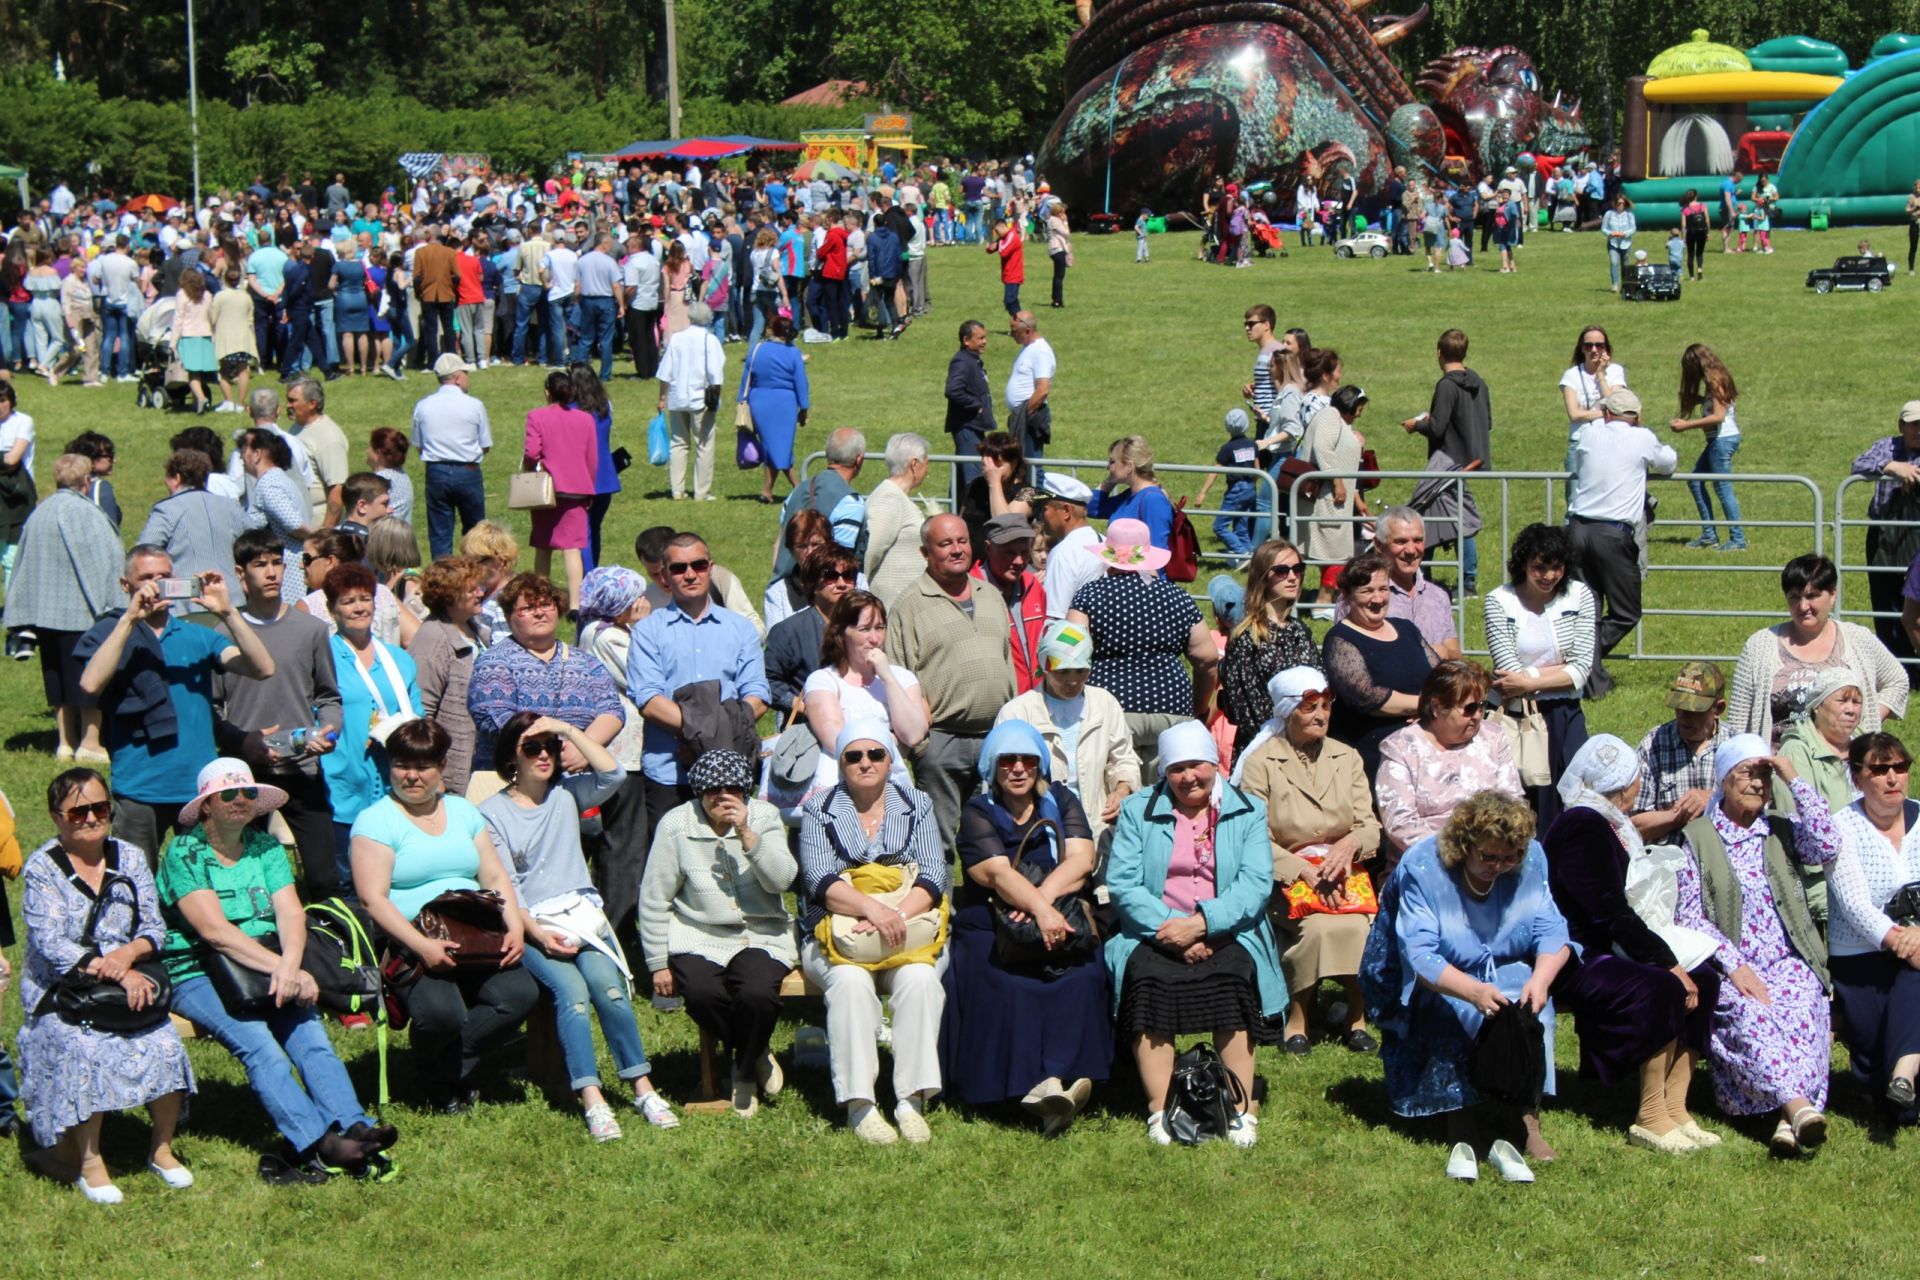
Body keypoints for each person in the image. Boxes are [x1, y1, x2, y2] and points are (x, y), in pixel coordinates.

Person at [157, 759, 396, 1179]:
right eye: (227, 794)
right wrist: (285, 970)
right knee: (260, 1047)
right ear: (206, 805)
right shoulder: (184, 851)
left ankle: (353, 1125)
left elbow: (290, 913)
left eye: (248, 793)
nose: (240, 801)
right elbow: (213, 931)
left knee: (311, 1038)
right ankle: (318, 1143)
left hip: (268, 962)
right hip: (195, 969)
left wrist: (289, 965)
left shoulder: (265, 847)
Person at [480, 713, 676, 1138]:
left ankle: (642, 1086)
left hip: (584, 918)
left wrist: (568, 730)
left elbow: (615, 772)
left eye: (550, 746)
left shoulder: (568, 793)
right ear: (512, 756)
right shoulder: (491, 814)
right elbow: (505, 887)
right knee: (571, 996)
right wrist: (536, 933)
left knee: (610, 992)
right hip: (531, 923)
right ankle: (592, 1097)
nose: (545, 755)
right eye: (533, 747)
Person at [1363, 790, 1571, 1181]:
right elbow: (1420, 956)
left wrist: (1541, 979)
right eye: (1488, 857)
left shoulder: (1533, 860)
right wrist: (1473, 992)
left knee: (1531, 1015)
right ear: (1464, 846)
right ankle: (1460, 1122)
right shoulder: (1424, 868)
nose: (1499, 867)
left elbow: (1552, 929)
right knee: (1454, 1012)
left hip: (1507, 962)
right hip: (1432, 970)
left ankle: (1527, 1118)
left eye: (1509, 858)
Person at [16, 768, 193, 1204]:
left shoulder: (130, 857)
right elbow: (52, 945)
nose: (92, 818)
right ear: (57, 818)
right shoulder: (42, 869)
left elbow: (155, 927)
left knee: (167, 1044)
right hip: (61, 993)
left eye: (100, 808)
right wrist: (116, 969)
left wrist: (128, 956)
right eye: (79, 812)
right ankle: (91, 1164)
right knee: (85, 1051)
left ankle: (162, 1150)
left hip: (124, 982)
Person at [1106, 721, 1284, 1146]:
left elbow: (1256, 883)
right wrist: (1172, 930)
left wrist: (1202, 925)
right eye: (1177, 769)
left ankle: (1239, 1109)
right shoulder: (1138, 810)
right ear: (1164, 773)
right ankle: (1160, 1108)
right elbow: (1123, 884)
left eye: (1197, 766)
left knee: (1233, 980)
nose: (1189, 778)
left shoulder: (1248, 809)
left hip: (1228, 930)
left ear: (1215, 764)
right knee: (1148, 982)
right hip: (1155, 930)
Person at [350, 717, 540, 1112]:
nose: (412, 776)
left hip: (476, 935)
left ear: (441, 768)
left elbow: (492, 874)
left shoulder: (462, 810)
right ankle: (443, 1080)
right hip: (413, 942)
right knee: (442, 1015)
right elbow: (373, 899)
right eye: (402, 765)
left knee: (519, 995)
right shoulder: (376, 821)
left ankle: (443, 1073)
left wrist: (514, 927)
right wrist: (422, 946)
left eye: (423, 766)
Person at [1543, 736, 1722, 1154]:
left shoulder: (1609, 822)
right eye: (1636, 780)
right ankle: (1650, 1115)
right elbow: (1606, 910)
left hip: (1611, 946)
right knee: (1662, 985)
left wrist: (1676, 961)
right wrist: (1666, 963)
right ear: (1623, 785)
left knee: (1705, 978)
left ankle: (1675, 1106)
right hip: (1576, 954)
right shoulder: (1582, 826)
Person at [940, 720, 1109, 1130]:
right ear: (992, 767)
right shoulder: (979, 811)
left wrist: (1042, 907)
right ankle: (1030, 1087)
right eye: (1007, 760)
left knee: (1081, 976)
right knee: (1006, 981)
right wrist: (1037, 908)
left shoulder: (1062, 800)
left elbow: (1082, 860)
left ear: (1040, 765)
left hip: (1055, 909)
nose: (1017, 768)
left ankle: (1060, 1081)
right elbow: (996, 873)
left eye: (1027, 760)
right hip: (992, 918)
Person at [1675, 736, 1840, 1156]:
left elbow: (1828, 843)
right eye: (1747, 773)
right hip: (1732, 964)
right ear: (1724, 781)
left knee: (1805, 1002)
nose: (1757, 783)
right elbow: (1690, 916)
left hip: (1788, 959)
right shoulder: (1698, 837)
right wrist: (1735, 965)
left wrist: (1794, 778)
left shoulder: (1780, 830)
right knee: (1748, 1011)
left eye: (1764, 775)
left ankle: (1789, 1123)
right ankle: (1798, 1107)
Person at [796, 720, 951, 1144]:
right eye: (854, 756)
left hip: (908, 931)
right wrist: (871, 910)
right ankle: (859, 1104)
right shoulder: (818, 808)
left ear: (890, 759)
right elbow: (819, 880)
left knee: (920, 981)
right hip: (837, 935)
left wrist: (893, 916)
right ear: (841, 763)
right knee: (849, 983)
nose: (865, 763)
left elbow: (935, 876)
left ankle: (910, 1100)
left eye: (876, 754)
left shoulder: (916, 803)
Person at [77, 547, 275, 862]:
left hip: (200, 788)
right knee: (134, 883)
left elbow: (263, 668)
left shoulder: (198, 635)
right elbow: (90, 683)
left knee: (206, 882)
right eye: (146, 578)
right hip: (139, 788)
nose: (156, 585)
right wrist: (130, 619)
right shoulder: (111, 633)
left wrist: (228, 612)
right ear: (125, 585)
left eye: (164, 577)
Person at [640, 748, 796, 1117]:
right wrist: (657, 961)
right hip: (698, 932)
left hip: (761, 931)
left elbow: (783, 880)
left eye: (732, 789)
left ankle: (741, 1073)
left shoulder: (766, 816)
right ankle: (754, 1053)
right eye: (713, 790)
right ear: (699, 793)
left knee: (757, 992)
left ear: (745, 790)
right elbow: (654, 896)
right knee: (701, 992)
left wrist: (747, 834)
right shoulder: (677, 824)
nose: (723, 796)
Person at [1233, 668, 1380, 1052]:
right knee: (1316, 928)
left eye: (1326, 706)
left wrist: (1349, 847)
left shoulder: (1346, 757)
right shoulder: (1262, 763)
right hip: (1289, 881)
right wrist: (1302, 871)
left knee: (1361, 926)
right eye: (1309, 707)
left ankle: (1357, 1016)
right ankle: (1299, 1016)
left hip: (1345, 876)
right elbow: (1254, 839)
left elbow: (1369, 826)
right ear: (1286, 712)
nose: (1321, 714)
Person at [221, 528, 347, 902]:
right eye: (261, 565)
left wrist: (330, 729)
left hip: (302, 768)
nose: (272, 572)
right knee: (241, 876)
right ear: (241, 574)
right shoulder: (223, 633)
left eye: (278, 562)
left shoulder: (310, 630)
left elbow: (329, 697)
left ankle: (330, 950)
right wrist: (242, 742)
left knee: (325, 879)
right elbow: (211, 710)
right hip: (244, 774)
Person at [885, 515, 1017, 853]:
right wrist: (920, 744)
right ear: (925, 552)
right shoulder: (909, 605)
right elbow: (899, 675)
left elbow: (1006, 660)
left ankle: (982, 905)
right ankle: (937, 903)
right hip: (942, 740)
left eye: (962, 541)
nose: (957, 550)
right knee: (937, 840)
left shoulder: (990, 594)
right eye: (945, 544)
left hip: (994, 737)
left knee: (991, 838)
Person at [628, 533, 769, 843]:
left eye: (698, 565)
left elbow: (757, 696)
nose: (690, 574)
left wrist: (711, 740)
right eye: (679, 568)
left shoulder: (740, 629)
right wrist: (711, 733)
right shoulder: (647, 632)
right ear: (664, 575)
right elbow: (649, 701)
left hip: (731, 774)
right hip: (669, 771)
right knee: (670, 872)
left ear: (710, 568)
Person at [3, 455, 125, 762]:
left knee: (56, 679)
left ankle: (65, 742)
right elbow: (102, 563)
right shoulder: (86, 513)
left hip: (44, 614)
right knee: (88, 679)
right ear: (86, 482)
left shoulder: (39, 513)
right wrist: (113, 606)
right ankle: (90, 741)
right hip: (81, 614)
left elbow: (22, 564)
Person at [1067, 517, 1215, 770]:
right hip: (1171, 707)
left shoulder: (1089, 596)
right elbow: (1208, 658)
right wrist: (1198, 705)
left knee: (1115, 791)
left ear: (1108, 557)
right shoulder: (1177, 597)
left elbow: (1070, 651)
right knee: (1165, 797)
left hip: (1111, 708)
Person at [1728, 553, 1907, 747]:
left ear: (1833, 594)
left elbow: (1897, 680)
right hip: (1776, 769)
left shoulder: (1858, 639)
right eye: (1794, 597)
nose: (1803, 606)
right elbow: (1738, 721)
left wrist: (1868, 717)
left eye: (1812, 596)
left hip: (1844, 769)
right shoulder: (1759, 646)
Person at [1829, 732, 1920, 1114]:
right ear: (1857, 778)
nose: (1892, 778)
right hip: (1860, 953)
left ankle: (1904, 1073)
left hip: (1918, 949)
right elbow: (1854, 903)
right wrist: (1901, 940)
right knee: (1873, 1073)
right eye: (1880, 770)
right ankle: (1888, 1078)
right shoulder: (1841, 826)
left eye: (1900, 768)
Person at [1485, 523, 1596, 829]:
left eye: (1556, 567)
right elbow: (1508, 675)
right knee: (1527, 801)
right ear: (1524, 564)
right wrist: (1555, 671)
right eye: (1540, 567)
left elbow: (1581, 669)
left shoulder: (1579, 595)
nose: (1548, 576)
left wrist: (1529, 680)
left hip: (1566, 713)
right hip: (1519, 717)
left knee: (1576, 796)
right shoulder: (1500, 601)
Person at [995, 619, 1141, 849]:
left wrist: (1123, 789)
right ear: (1045, 666)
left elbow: (1123, 757)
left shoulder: (1104, 704)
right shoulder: (1018, 712)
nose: (1073, 680)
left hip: (1098, 828)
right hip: (1038, 832)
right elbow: (1000, 775)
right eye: (1062, 672)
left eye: (1081, 671)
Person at [1566, 389, 1676, 694]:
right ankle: (1587, 658)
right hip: (1613, 534)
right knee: (1627, 611)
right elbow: (1668, 462)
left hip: (1577, 529)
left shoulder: (1589, 434)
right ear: (1637, 417)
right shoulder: (1641, 438)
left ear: (1606, 413)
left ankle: (1590, 678)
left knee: (1585, 608)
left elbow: (1578, 460)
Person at [320, 561, 422, 887]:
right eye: (348, 602)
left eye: (365, 599)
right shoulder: (323, 658)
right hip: (344, 780)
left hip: (397, 781)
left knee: (397, 875)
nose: (359, 608)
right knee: (350, 880)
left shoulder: (398, 658)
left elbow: (418, 716)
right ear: (332, 609)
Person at [468, 571, 624, 776]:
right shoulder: (494, 663)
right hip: (515, 779)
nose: (539, 613)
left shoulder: (585, 662)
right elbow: (498, 721)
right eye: (528, 608)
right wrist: (551, 751)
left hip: (575, 779)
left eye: (546, 605)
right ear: (508, 616)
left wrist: (583, 747)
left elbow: (611, 710)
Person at [1376, 661, 1524, 856]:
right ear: (1437, 707)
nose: (1478, 715)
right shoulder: (1400, 747)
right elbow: (1400, 824)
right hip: (1427, 859)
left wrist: (1491, 848)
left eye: (1482, 706)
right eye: (1469, 708)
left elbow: (1512, 802)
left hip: (1492, 856)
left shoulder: (1493, 736)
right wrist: (1462, 854)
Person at [1321, 552, 1436, 779]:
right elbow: (1368, 698)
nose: (1377, 599)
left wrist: (1433, 709)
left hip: (1424, 749)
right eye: (1367, 591)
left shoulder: (1406, 628)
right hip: (1374, 758)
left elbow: (1440, 675)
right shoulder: (1340, 639)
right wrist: (1427, 705)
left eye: (1383, 589)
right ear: (1347, 595)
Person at [1399, 329, 1491, 591]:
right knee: (1453, 516)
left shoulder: (1447, 385)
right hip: (1472, 458)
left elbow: (1437, 428)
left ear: (1439, 352)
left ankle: (1454, 579)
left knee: (1437, 515)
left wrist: (1417, 424)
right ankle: (1441, 577)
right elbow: (1488, 422)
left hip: (1447, 461)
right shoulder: (1479, 382)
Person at [1215, 539, 1319, 758]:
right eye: (1282, 571)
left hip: (1309, 746)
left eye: (1298, 569)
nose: (1292, 577)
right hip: (1265, 753)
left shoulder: (1301, 631)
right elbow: (1247, 712)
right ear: (1263, 576)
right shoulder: (1246, 637)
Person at [407, 556, 488, 798]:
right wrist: (432, 773)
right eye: (471, 589)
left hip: (480, 762)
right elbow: (421, 713)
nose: (480, 593)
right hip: (450, 773)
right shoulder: (432, 640)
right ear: (449, 595)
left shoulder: (476, 630)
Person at [1335, 508, 1460, 660]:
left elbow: (1456, 657)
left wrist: (1444, 653)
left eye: (1418, 540)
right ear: (1379, 545)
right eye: (1401, 541)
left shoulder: (1438, 596)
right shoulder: (1361, 597)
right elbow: (1348, 657)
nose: (1411, 550)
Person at [1632, 661, 1735, 842]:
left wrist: (1713, 799)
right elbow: (1633, 825)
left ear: (1718, 708)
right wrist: (1680, 813)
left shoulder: (1735, 747)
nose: (1684, 717)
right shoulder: (1653, 744)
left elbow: (1756, 812)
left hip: (1723, 859)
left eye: (1695, 710)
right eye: (1679, 708)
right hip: (1666, 861)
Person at [522, 370, 598, 610]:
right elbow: (592, 458)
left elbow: (531, 452)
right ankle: (575, 605)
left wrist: (531, 467)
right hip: (577, 489)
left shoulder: (536, 416)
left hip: (547, 489)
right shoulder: (586, 419)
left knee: (543, 546)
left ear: (547, 392)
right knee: (572, 548)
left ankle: (540, 597)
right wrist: (590, 488)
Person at [136, 449, 253, 605]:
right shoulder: (231, 506)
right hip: (232, 596)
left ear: (177, 477)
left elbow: (143, 553)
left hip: (187, 603)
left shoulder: (167, 509)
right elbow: (256, 541)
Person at [764, 546, 859, 722]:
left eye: (848, 576)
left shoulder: (866, 626)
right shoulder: (789, 631)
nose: (841, 583)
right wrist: (803, 706)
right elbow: (767, 681)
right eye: (831, 576)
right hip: (809, 730)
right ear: (812, 583)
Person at [411, 352, 492, 558]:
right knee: (475, 534)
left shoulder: (423, 406)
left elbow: (419, 445)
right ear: (457, 378)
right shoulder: (474, 405)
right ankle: (476, 579)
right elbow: (485, 444)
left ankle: (442, 582)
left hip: (436, 471)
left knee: (440, 534)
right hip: (468, 471)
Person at [1668, 343, 1746, 552]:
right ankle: (1709, 535)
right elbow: (1720, 405)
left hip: (1722, 439)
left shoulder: (1715, 380)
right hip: (1717, 440)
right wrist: (1700, 400)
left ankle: (1737, 539)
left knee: (1722, 487)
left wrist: (1686, 426)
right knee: (1695, 482)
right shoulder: (1714, 380)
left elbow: (1719, 416)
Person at [772, 426, 868, 582]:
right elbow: (840, 564)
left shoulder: (796, 492)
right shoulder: (850, 503)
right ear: (859, 459)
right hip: (819, 598)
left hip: (782, 589)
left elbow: (778, 545)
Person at [1303, 387, 1369, 611]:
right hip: (1329, 500)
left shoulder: (1335, 420)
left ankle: (1327, 599)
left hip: (1336, 500)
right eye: (1359, 407)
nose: (1360, 412)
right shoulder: (1330, 416)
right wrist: (1337, 481)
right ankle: (1322, 603)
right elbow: (1323, 447)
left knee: (1334, 552)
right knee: (1337, 554)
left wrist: (1356, 499)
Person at [657, 301, 727, 502]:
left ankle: (677, 490)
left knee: (678, 443)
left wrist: (662, 397)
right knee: (704, 444)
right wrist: (715, 399)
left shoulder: (677, 339)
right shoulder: (710, 340)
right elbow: (716, 374)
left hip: (677, 398)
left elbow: (665, 373)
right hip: (700, 400)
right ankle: (701, 491)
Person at [736, 312, 809, 503]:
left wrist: (740, 401)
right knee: (780, 448)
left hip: (759, 402)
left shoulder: (757, 349)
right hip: (784, 403)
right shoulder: (793, 353)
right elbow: (801, 382)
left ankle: (773, 490)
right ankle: (798, 490)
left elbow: (746, 379)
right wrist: (804, 408)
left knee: (774, 447)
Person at [864, 434, 932, 610]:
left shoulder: (896, 497)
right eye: (926, 463)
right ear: (914, 464)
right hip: (891, 608)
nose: (928, 470)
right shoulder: (889, 499)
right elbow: (870, 552)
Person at [1087, 435, 1175, 552]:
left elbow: (1158, 552)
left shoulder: (1153, 500)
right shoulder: (1129, 495)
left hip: (1140, 570)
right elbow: (1091, 508)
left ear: (1129, 466)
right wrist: (1109, 481)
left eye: (1112, 462)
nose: (1108, 467)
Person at [1559, 326, 1626, 474]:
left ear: (1606, 348)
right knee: (1575, 495)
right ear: (1582, 349)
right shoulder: (1571, 375)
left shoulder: (1615, 371)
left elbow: (1614, 404)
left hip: (1609, 440)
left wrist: (1601, 374)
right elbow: (1574, 414)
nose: (1594, 350)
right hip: (1580, 441)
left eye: (1599, 345)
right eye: (1588, 345)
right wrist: (1606, 412)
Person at [943, 320, 995, 490]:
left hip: (974, 426)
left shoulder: (972, 360)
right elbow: (953, 390)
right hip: (967, 426)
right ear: (966, 340)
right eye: (980, 338)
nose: (984, 341)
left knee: (961, 473)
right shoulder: (962, 361)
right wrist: (976, 405)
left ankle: (955, 510)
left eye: (985, 337)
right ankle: (972, 514)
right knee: (973, 478)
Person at [367, 426, 415, 526]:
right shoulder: (401, 474)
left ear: (378, 453)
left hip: (383, 537)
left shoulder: (380, 481)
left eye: (370, 447)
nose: (367, 451)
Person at [1601, 194, 1636, 291]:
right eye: (1619, 203)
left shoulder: (1629, 215)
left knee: (1625, 264)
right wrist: (1611, 233)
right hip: (1613, 242)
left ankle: (1625, 284)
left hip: (1626, 243)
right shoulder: (1609, 214)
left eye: (1622, 203)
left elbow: (1633, 228)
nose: (1620, 205)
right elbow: (1603, 228)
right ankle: (1615, 284)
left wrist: (1624, 234)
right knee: (1614, 262)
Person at [1679, 187, 1710, 281]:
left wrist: (1683, 238)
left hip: (1691, 233)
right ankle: (1699, 268)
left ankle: (1692, 276)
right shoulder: (1703, 206)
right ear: (1696, 196)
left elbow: (1683, 225)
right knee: (1700, 253)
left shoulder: (1685, 209)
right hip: (1702, 231)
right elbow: (1707, 220)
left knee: (1690, 254)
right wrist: (1708, 232)